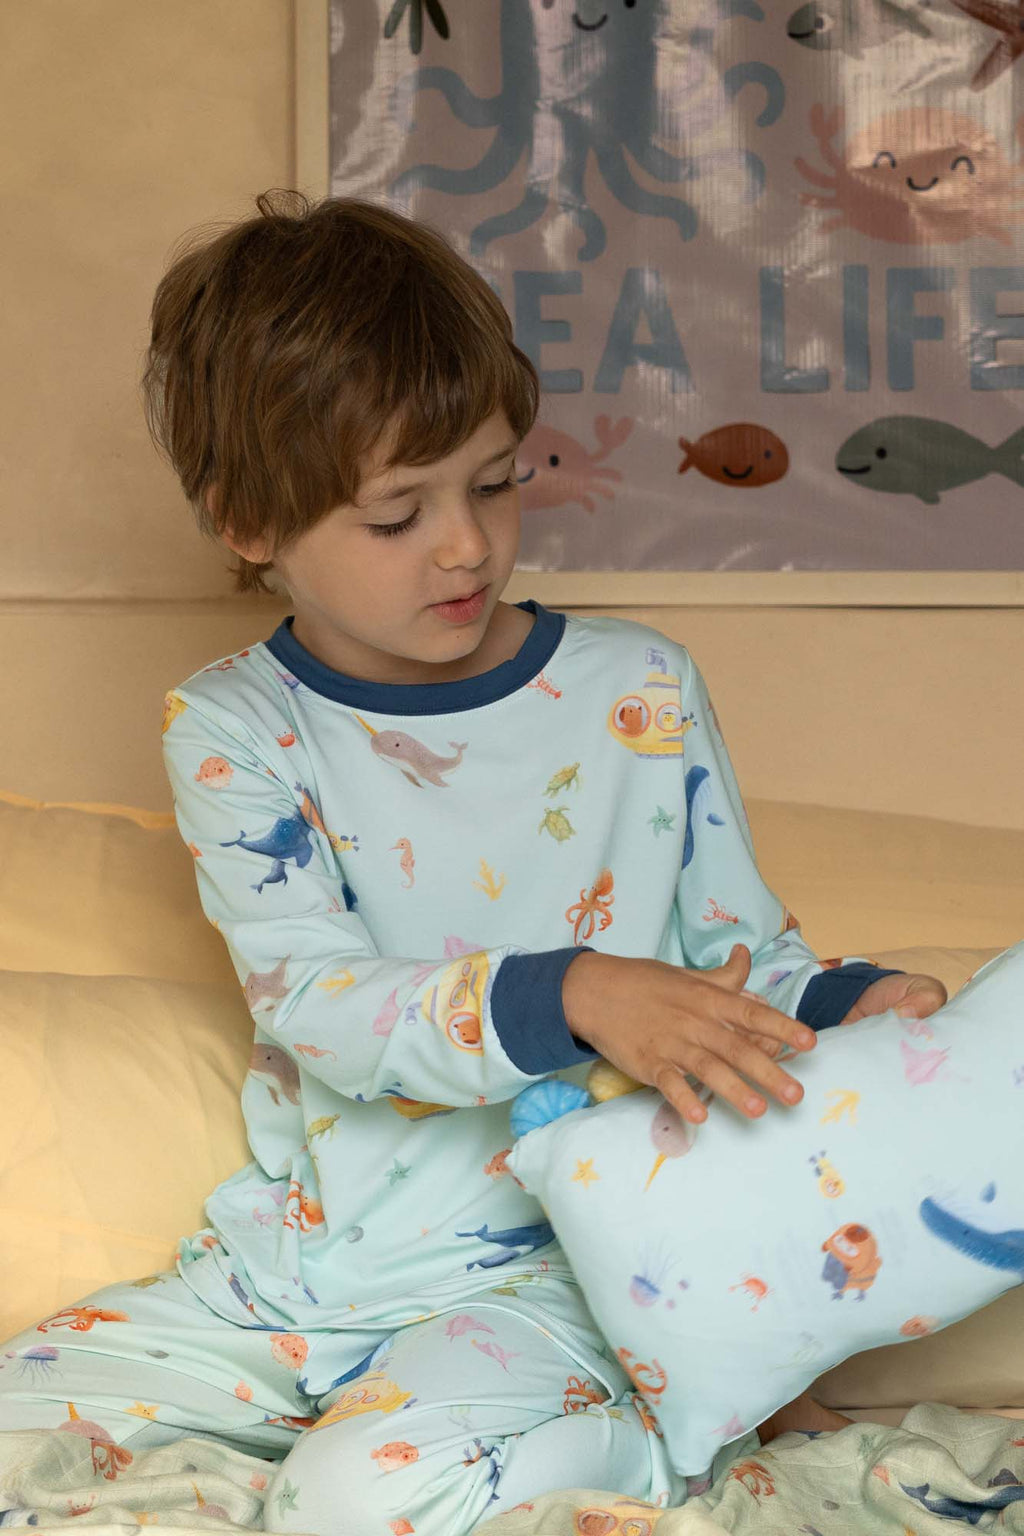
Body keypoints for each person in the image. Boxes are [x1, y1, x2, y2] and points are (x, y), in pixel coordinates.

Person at [0, 191, 948, 1534]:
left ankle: (674, 1430)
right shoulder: (233, 729)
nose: (465, 544)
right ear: (248, 523)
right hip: (300, 1273)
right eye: (397, 514)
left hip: (561, 1274)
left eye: (495, 482)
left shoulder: (640, 692)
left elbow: (746, 969)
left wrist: (853, 1006)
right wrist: (571, 992)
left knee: (349, 1506)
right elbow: (319, 1002)